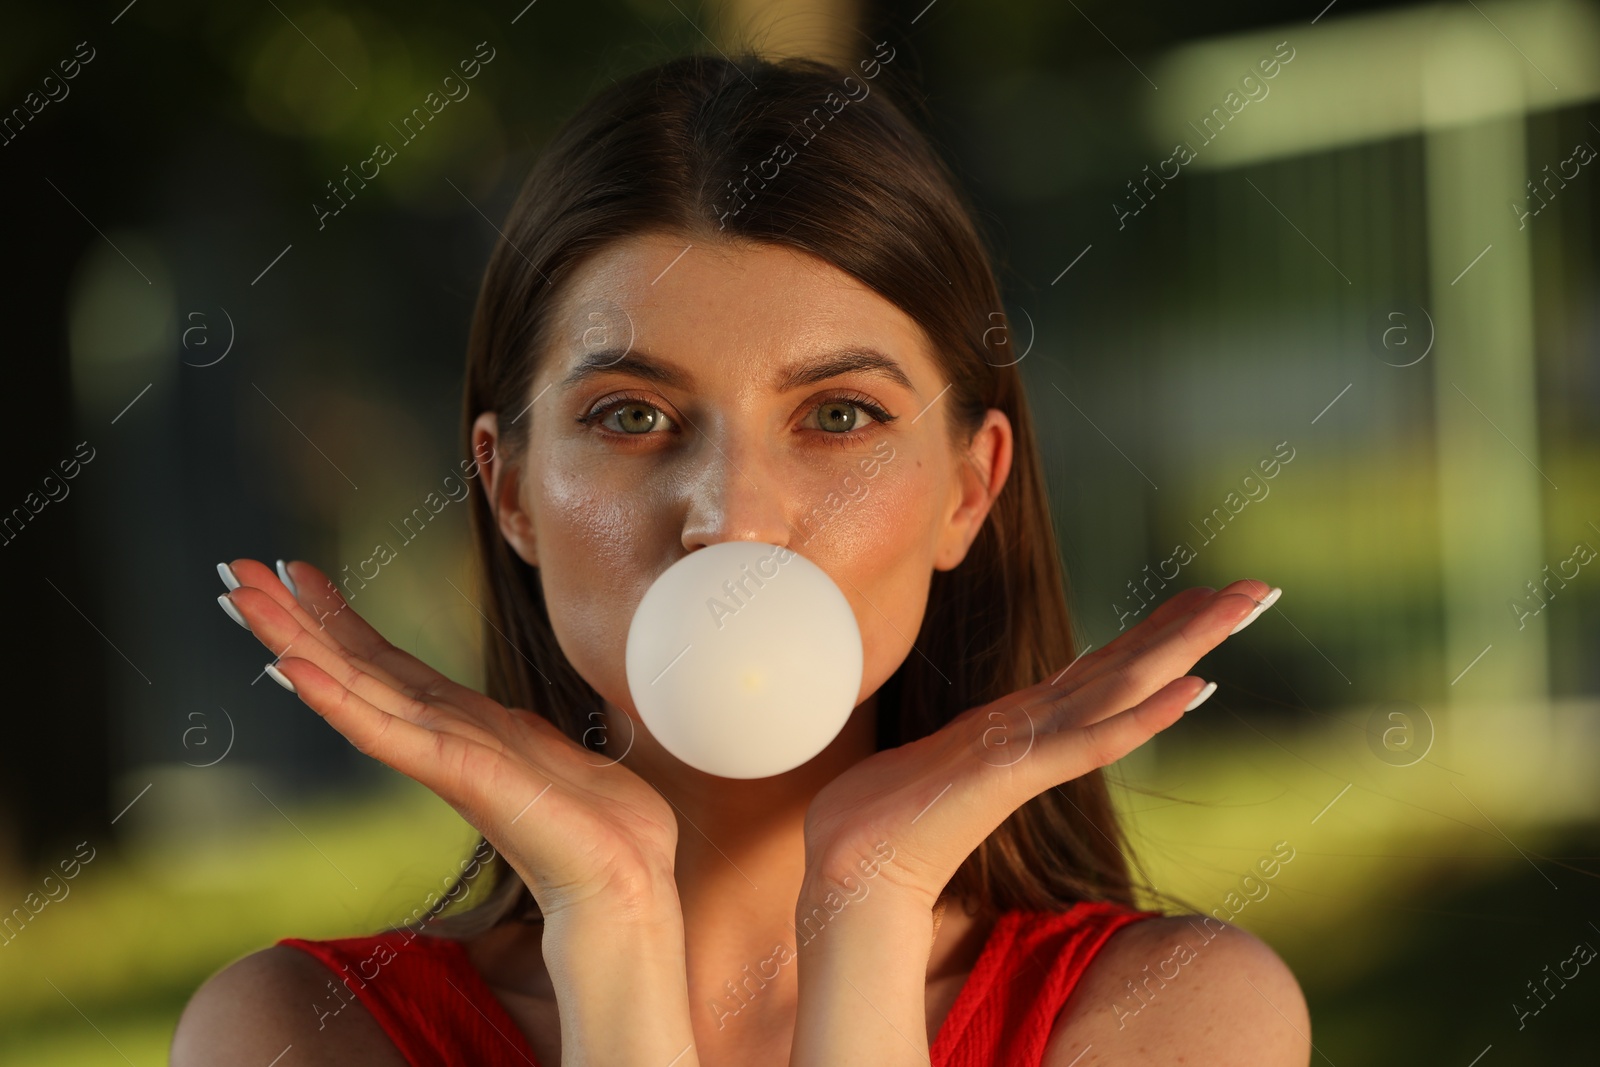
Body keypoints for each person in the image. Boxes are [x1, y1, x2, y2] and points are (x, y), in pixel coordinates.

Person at [172, 47, 1308, 1067]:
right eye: (628, 414)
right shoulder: (295, 1034)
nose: (731, 518)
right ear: (510, 487)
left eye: (840, 416)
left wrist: (870, 898)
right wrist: (608, 919)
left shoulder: (1175, 1017)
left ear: (968, 488)